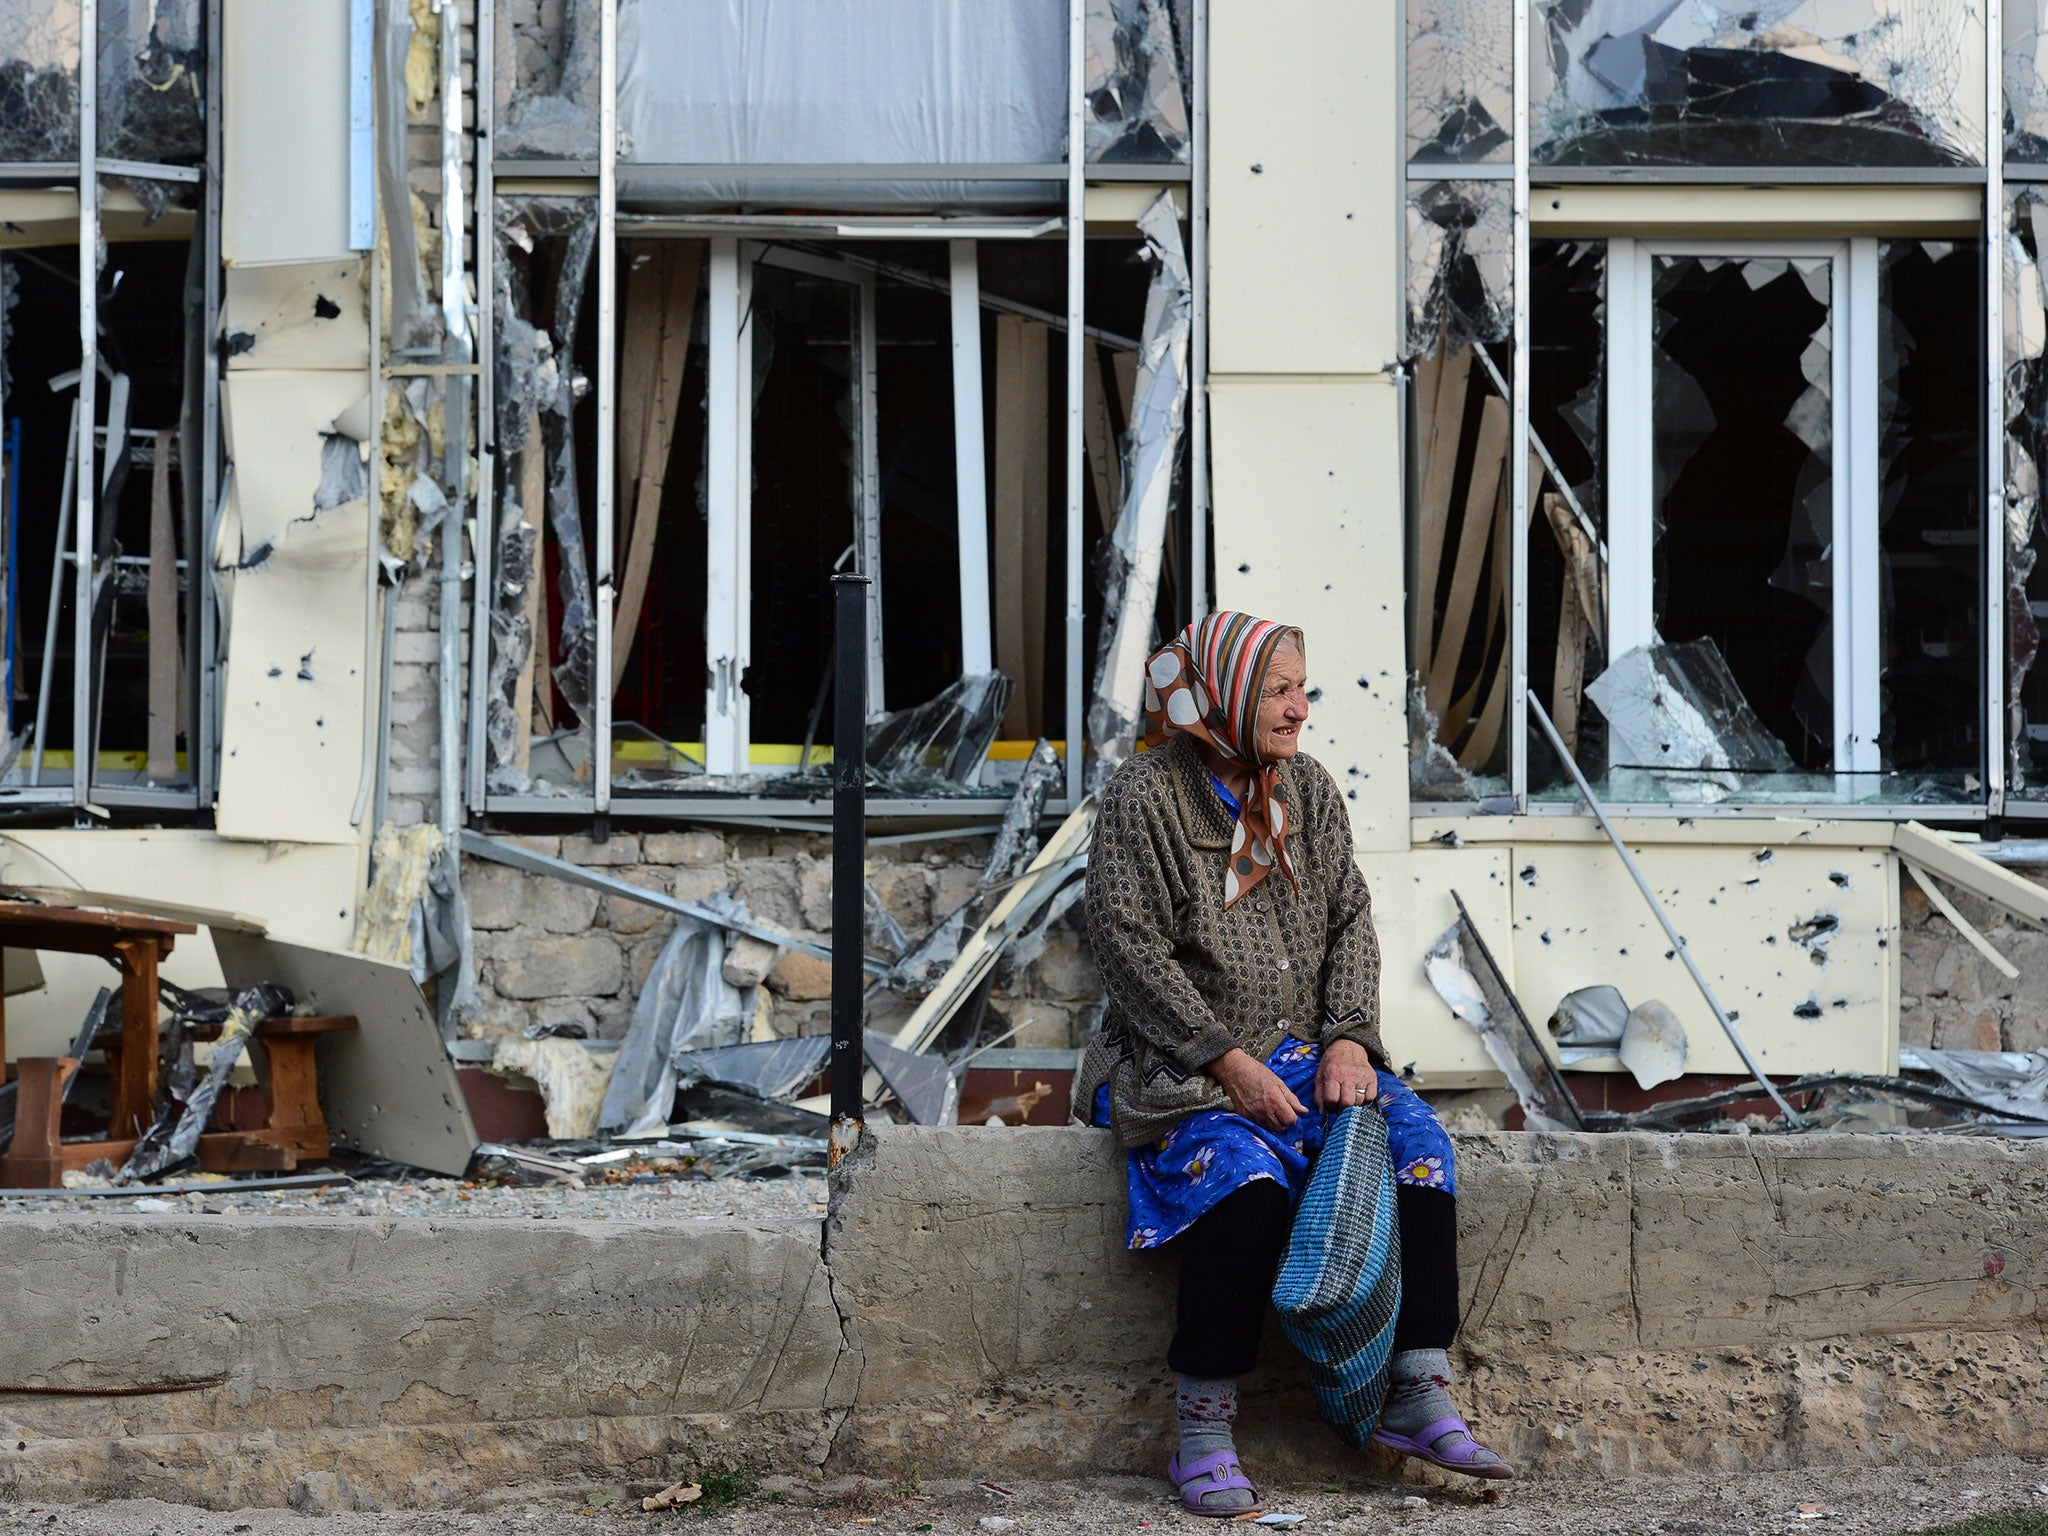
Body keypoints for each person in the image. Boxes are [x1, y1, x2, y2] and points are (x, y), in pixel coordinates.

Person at [1075, 611, 1513, 1516]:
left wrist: (1350, 1036)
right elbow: (1127, 946)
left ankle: (1418, 1391)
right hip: (1180, 1065)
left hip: (1306, 1053)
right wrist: (1225, 1060)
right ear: (1228, 692)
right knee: (1245, 1182)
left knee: (1418, 1142)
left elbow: (1350, 916)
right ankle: (1200, 1431)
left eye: (1301, 688)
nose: (1298, 708)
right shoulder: (1145, 795)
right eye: (1278, 690)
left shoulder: (1306, 790)